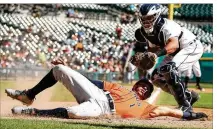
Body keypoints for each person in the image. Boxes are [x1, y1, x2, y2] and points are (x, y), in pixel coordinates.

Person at [5, 58, 207, 120]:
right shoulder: (120, 88)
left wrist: (190, 114)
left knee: (74, 113)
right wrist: (71, 71)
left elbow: (165, 110)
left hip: (102, 110)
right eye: (142, 86)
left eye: (147, 89)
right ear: (136, 86)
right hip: (99, 95)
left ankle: (33, 112)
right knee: (59, 69)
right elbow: (91, 82)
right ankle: (28, 96)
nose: (144, 90)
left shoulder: (146, 107)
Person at [133, 4, 204, 112]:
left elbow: (173, 44)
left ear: (156, 15)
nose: (146, 21)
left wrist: (155, 55)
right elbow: (153, 49)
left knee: (169, 69)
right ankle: (189, 96)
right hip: (174, 53)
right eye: (143, 18)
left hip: (190, 46)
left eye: (149, 18)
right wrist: (145, 56)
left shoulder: (166, 26)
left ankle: (185, 106)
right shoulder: (144, 32)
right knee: (156, 78)